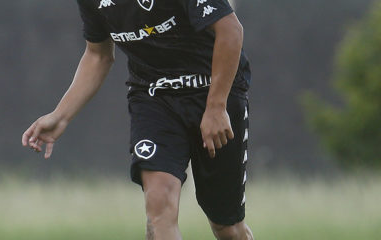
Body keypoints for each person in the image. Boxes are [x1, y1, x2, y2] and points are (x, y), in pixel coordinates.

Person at [22, 0, 253, 239]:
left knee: (227, 228)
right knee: (159, 206)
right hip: (154, 97)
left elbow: (230, 30)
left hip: (214, 91)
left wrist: (216, 107)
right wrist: (60, 117)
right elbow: (98, 55)